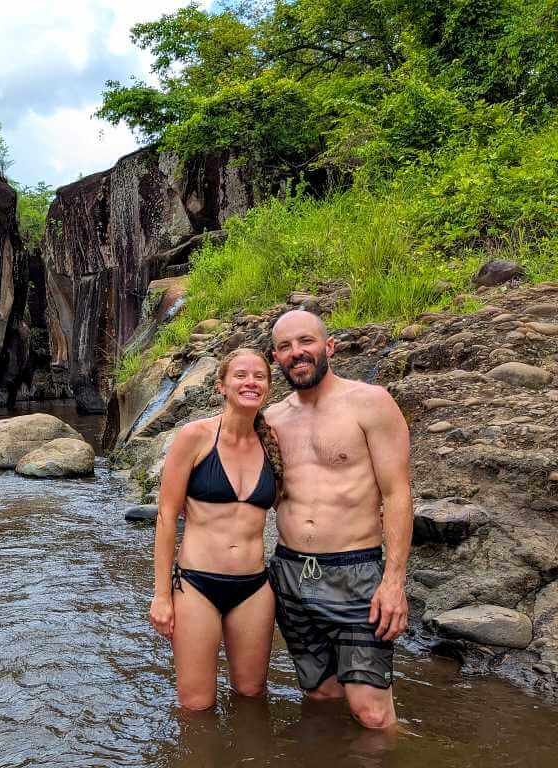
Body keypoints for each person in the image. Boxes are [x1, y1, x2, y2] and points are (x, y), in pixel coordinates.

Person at [264, 309, 412, 730]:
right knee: (320, 695)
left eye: (306, 342)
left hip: (356, 572)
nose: (297, 353)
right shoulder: (272, 420)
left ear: (329, 346)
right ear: (275, 357)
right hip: (291, 572)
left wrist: (394, 582)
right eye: (285, 346)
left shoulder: (371, 402)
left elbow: (397, 494)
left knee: (372, 712)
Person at [149, 348, 284, 710]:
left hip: (254, 588)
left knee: (252, 694)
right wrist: (162, 595)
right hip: (197, 586)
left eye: (259, 376)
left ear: (268, 387)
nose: (250, 382)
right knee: (195, 705)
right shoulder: (195, 437)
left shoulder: (273, 444)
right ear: (222, 385)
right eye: (240, 375)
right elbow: (166, 517)